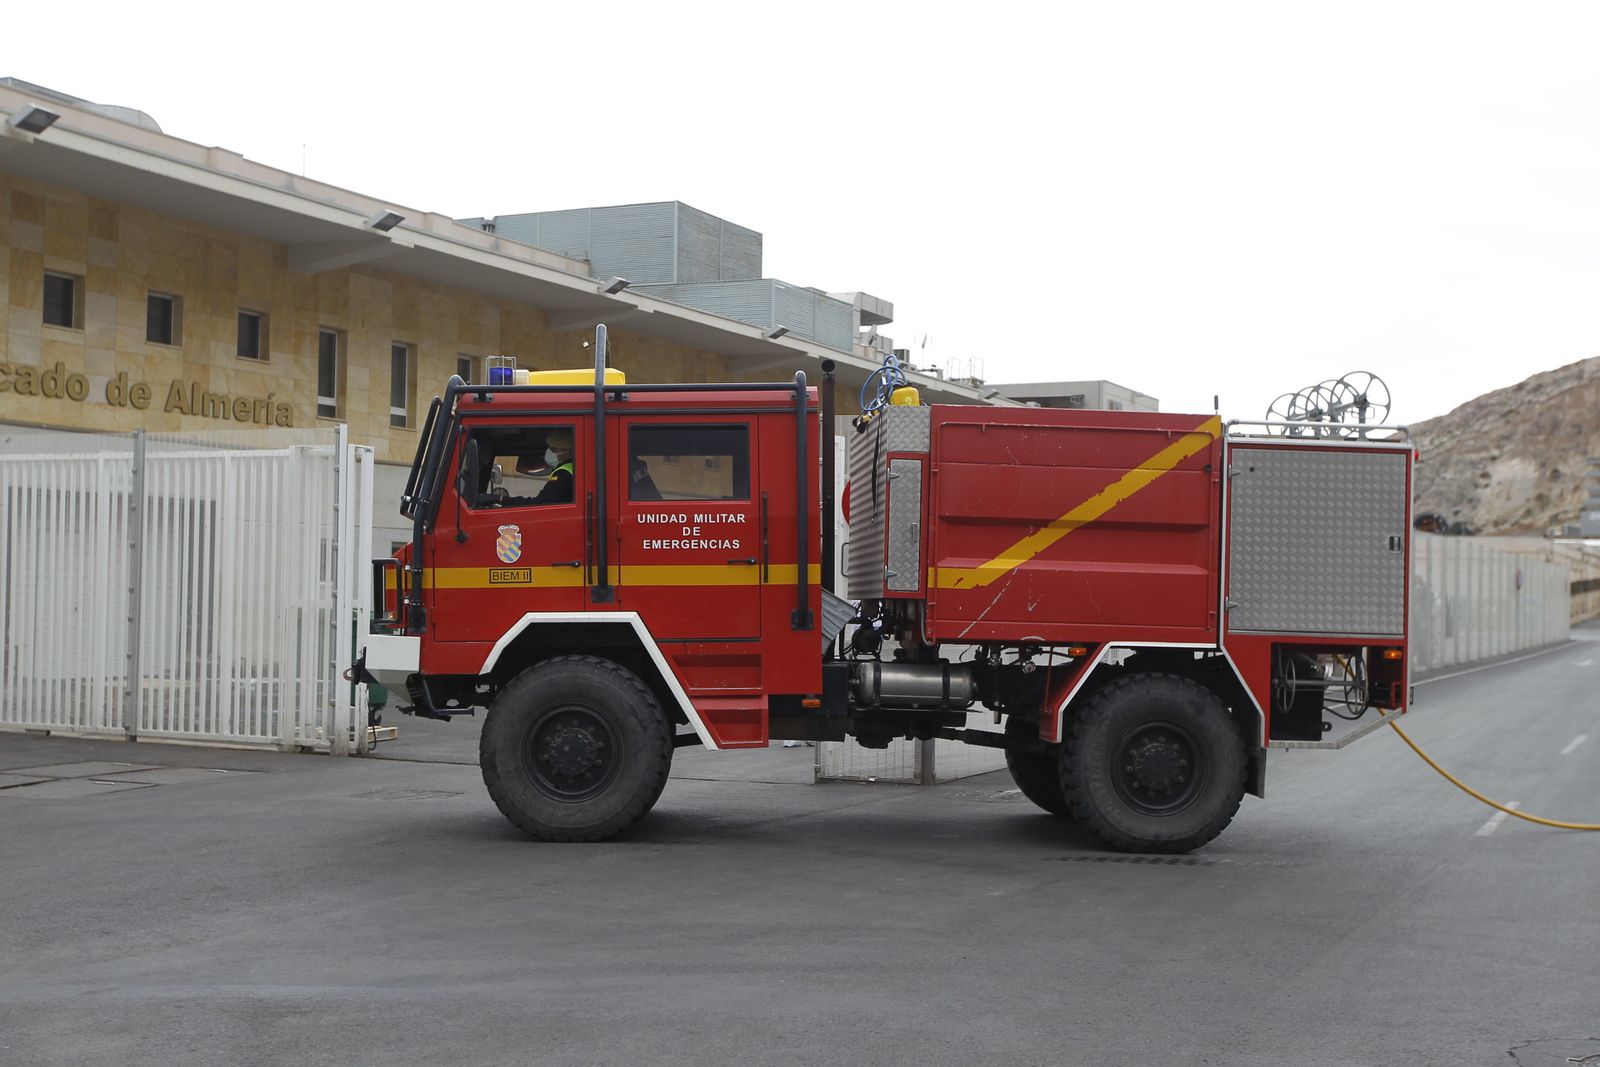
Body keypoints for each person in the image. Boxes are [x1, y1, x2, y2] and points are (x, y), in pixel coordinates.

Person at [532, 428, 575, 505]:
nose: (549, 452)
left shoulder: (564, 473)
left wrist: (505, 500)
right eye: (550, 448)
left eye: (554, 449)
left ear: (568, 452)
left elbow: (541, 503)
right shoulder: (571, 467)